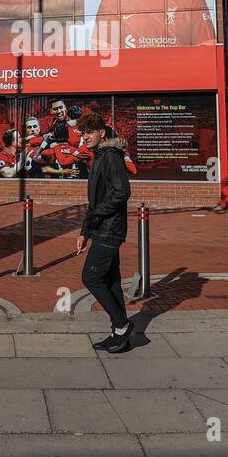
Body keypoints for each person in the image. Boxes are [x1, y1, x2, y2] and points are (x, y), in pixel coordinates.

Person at [73, 111, 134, 353]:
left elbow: (121, 192)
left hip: (110, 229)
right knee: (111, 279)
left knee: (91, 277)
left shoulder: (110, 156)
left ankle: (122, 324)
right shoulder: (100, 155)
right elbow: (95, 200)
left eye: (89, 132)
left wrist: (96, 216)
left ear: (102, 132)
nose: (84, 136)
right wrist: (85, 231)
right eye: (82, 132)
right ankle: (118, 332)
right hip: (102, 227)